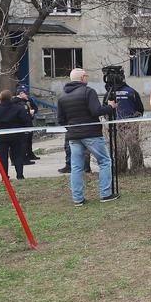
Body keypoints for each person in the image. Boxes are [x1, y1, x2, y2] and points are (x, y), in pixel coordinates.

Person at [57, 68, 119, 206]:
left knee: (76, 167)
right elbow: (96, 111)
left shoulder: (62, 96)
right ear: (83, 78)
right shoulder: (88, 91)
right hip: (91, 133)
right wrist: (110, 107)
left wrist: (72, 127)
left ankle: (77, 199)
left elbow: (60, 120)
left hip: (73, 135)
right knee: (104, 161)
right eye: (87, 76)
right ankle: (105, 194)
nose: (88, 78)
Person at [0, 89, 30, 180]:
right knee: (17, 155)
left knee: (3, 157)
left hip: (2, 135)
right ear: (11, 98)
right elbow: (25, 120)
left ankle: (4, 176)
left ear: (0, 98)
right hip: (16, 135)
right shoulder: (19, 108)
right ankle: (20, 175)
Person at [113, 76, 145, 172]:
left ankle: (121, 168)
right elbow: (140, 108)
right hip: (131, 122)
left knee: (119, 145)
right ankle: (137, 166)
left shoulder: (110, 93)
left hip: (116, 122)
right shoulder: (132, 91)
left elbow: (105, 107)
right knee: (133, 144)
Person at [12, 88, 39, 163]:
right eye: (25, 93)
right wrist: (27, 112)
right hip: (22, 124)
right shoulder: (15, 102)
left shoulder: (28, 100)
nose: (27, 95)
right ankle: (23, 157)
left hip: (29, 121)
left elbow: (35, 108)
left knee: (29, 139)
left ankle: (29, 154)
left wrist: (33, 111)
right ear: (20, 94)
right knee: (23, 141)